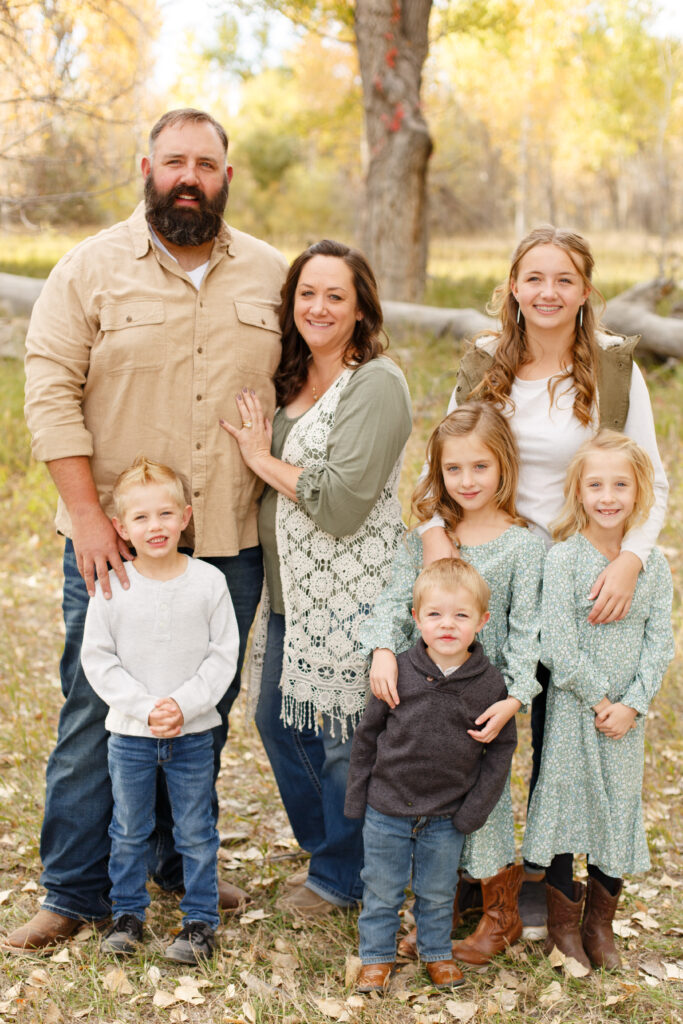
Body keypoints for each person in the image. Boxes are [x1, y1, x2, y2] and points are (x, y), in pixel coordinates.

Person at [6, 108, 288, 952]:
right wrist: (89, 519)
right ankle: (74, 888)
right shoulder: (88, 270)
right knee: (99, 705)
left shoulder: (272, 275)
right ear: (147, 169)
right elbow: (48, 389)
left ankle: (172, 862)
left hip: (227, 537)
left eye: (206, 162)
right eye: (174, 162)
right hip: (115, 541)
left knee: (204, 705)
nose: (189, 175)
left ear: (227, 176)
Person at [419, 225, 668, 937]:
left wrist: (630, 558)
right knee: (472, 720)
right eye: (533, 278)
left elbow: (653, 476)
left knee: (562, 734)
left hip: (574, 568)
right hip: (493, 563)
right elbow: (449, 456)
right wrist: (436, 534)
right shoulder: (483, 364)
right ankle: (471, 879)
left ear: (585, 290)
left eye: (563, 279)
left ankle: (541, 879)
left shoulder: (614, 369)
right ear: (513, 287)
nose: (547, 293)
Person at [220, 239, 412, 916]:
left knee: (339, 741)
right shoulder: (291, 378)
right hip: (292, 591)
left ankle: (343, 875)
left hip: (353, 593)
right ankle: (337, 848)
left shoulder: (376, 384)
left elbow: (339, 503)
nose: (319, 307)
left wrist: (255, 455)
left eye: (335, 295)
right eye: (307, 293)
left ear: (360, 309)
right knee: (276, 722)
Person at [360, 402, 544, 964]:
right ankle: (436, 910)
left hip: (483, 695)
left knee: (483, 799)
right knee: (424, 795)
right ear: (437, 473)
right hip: (421, 691)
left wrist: (515, 696)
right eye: (453, 470)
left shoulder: (523, 545)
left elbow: (527, 632)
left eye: (480, 468)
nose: (467, 481)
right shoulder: (425, 538)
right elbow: (395, 600)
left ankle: (499, 913)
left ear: (504, 468)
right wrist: (385, 650)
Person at [522, 432, 673, 972]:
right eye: (596, 485)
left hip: (624, 722)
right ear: (578, 492)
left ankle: (599, 927)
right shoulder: (562, 561)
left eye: (620, 484)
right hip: (574, 710)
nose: (608, 496)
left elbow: (661, 642)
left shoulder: (651, 568)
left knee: (615, 812)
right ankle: (563, 928)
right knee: (567, 809)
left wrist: (631, 704)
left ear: (638, 494)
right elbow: (555, 642)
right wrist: (597, 698)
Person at [81, 458, 239, 964]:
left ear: (186, 516)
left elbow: (223, 655)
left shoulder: (209, 582)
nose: (156, 526)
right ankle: (127, 914)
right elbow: (98, 660)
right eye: (142, 518)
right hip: (130, 734)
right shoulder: (113, 586)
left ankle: (199, 922)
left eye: (166, 514)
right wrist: (148, 708)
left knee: (195, 830)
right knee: (129, 828)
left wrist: (183, 705)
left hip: (193, 735)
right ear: (121, 527)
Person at [345, 559, 517, 994]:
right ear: (416, 618)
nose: (447, 625)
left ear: (482, 621)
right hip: (388, 806)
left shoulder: (490, 683)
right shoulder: (397, 669)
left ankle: (437, 954)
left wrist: (471, 813)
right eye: (435, 614)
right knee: (382, 888)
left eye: (461, 616)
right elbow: (368, 737)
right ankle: (377, 959)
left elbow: (500, 751)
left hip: (446, 814)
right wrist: (357, 798)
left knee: (438, 892)